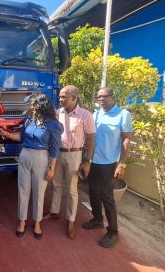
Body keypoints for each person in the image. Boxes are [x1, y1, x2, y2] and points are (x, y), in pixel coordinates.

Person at [0, 93, 63, 240]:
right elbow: (21, 137)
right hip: (25, 156)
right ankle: (22, 220)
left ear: (42, 106)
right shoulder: (28, 120)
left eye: (34, 105)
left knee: (39, 192)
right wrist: (6, 134)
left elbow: (54, 148)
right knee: (23, 190)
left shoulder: (54, 125)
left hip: (42, 158)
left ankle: (37, 222)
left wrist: (52, 168)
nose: (31, 107)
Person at [82, 87, 132, 248]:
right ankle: (97, 219)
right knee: (93, 192)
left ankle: (113, 232)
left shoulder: (123, 115)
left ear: (112, 97)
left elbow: (126, 140)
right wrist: (87, 159)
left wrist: (121, 163)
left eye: (105, 96)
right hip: (94, 161)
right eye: (99, 97)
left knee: (107, 197)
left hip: (109, 163)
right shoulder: (96, 114)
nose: (101, 99)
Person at [43, 85, 96, 239]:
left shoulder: (85, 115)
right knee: (56, 184)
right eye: (60, 97)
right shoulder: (57, 113)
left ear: (74, 97)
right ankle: (54, 211)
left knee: (72, 189)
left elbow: (91, 138)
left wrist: (89, 161)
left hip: (75, 154)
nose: (60, 100)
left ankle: (71, 220)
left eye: (63, 97)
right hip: (57, 153)